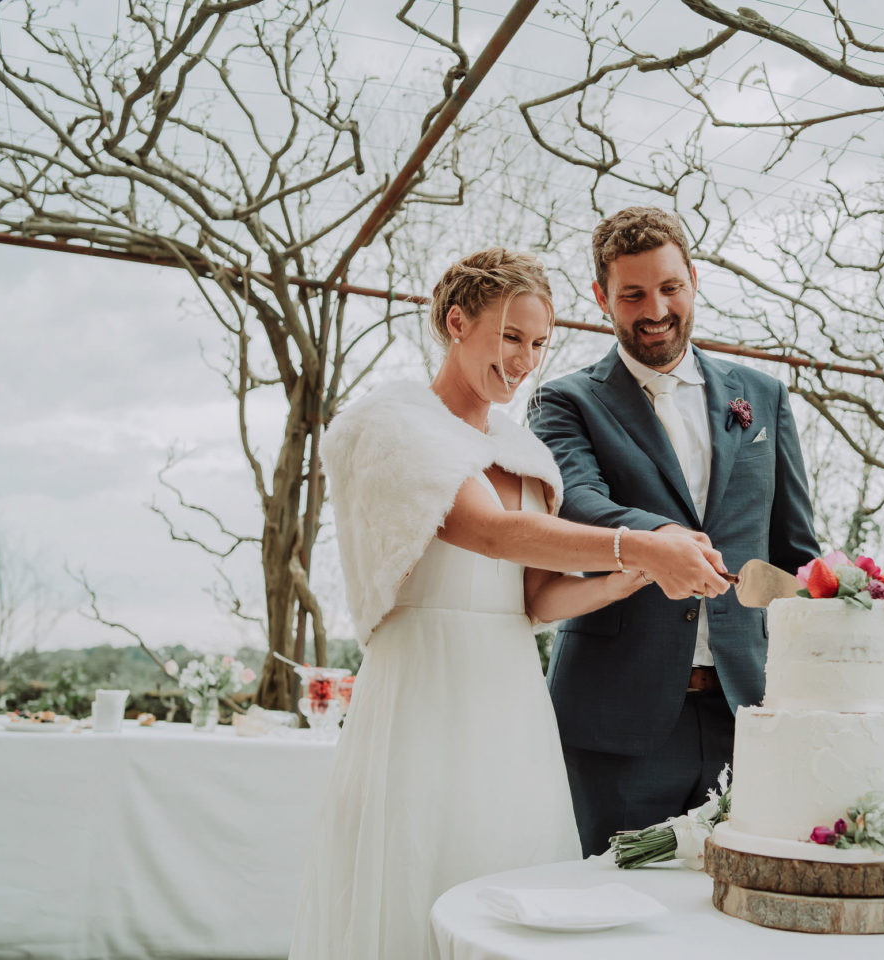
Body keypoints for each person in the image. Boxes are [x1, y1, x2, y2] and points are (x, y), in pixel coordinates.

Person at [288, 248, 727, 960]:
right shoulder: (396, 425)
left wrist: (637, 578)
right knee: (417, 874)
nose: (523, 360)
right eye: (509, 337)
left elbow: (537, 596)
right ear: (458, 322)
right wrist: (640, 547)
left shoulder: (522, 450)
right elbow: (492, 533)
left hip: (511, 694)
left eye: (538, 343)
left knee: (512, 882)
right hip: (425, 687)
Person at [530, 206, 819, 856]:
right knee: (611, 916)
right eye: (632, 295)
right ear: (602, 297)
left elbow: (796, 552)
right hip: (615, 719)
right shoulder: (565, 401)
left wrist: (843, 632)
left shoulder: (764, 397)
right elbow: (575, 502)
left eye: (669, 288)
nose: (655, 309)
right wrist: (660, 542)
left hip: (751, 717)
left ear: (692, 278)